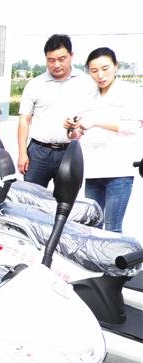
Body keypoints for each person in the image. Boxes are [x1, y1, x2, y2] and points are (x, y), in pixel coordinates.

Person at [64, 47, 143, 233]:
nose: (100, 75)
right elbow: (77, 135)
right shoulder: (87, 97)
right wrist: (71, 128)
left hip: (118, 171)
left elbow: (133, 126)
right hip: (93, 170)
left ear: (116, 66)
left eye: (105, 68)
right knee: (91, 227)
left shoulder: (131, 92)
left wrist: (95, 121)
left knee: (112, 229)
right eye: (94, 70)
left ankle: (117, 254)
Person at [17, 34, 95, 187]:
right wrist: (22, 154)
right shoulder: (35, 84)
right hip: (38, 153)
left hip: (70, 151)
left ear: (71, 56)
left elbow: (92, 116)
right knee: (32, 196)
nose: (56, 65)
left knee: (65, 198)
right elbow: (24, 120)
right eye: (51, 60)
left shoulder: (86, 83)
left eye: (62, 59)